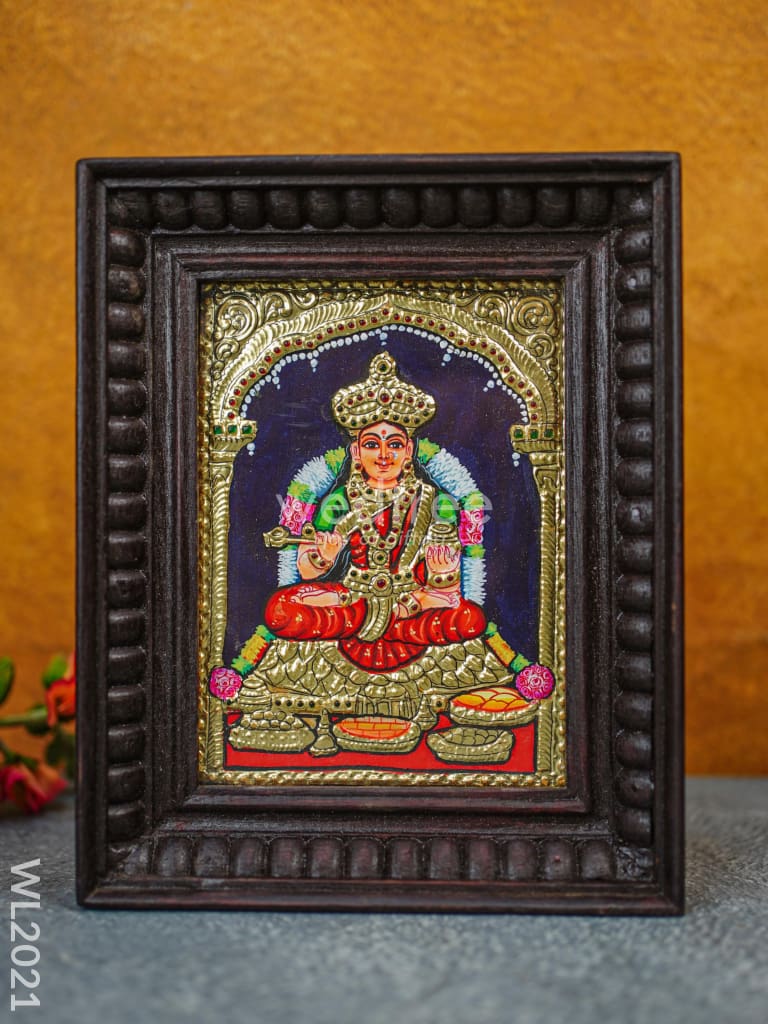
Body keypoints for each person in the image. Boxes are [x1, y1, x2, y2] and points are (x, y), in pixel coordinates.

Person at [263, 353, 486, 672]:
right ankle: (385, 622)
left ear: (409, 450)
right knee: (281, 611)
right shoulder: (339, 501)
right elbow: (308, 571)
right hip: (353, 597)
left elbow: (446, 582)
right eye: (371, 445)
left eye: (394, 445)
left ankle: (385, 621)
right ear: (355, 451)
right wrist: (324, 557)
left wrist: (441, 576)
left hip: (412, 599)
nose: (383, 455)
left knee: (469, 618)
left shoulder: (433, 502)